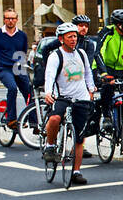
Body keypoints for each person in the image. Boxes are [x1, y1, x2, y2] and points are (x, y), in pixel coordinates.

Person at [40, 23, 96, 186]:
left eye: (75, 36)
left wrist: (91, 90)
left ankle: (76, 172)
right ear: (61, 39)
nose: (73, 40)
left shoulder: (82, 53)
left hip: (81, 98)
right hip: (62, 97)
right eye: (70, 37)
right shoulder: (55, 56)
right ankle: (50, 146)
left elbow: (87, 73)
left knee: (79, 137)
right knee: (55, 118)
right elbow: (49, 76)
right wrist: (48, 92)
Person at [0, 8, 31, 127]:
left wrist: (23, 68)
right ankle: (11, 119)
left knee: (29, 91)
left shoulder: (22, 35)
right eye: (8, 18)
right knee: (12, 88)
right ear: (4, 20)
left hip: (18, 67)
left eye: (13, 18)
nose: (10, 21)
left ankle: (34, 121)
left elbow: (22, 52)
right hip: (3, 68)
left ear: (16, 20)